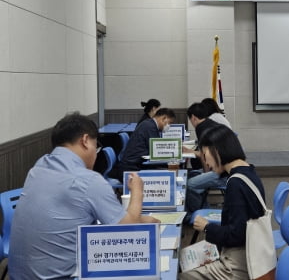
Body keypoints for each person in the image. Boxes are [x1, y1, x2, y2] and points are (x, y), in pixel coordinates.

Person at [8, 112, 160, 280]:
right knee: (149, 271)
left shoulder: (37, 169)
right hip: (63, 277)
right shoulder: (88, 180)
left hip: (19, 276)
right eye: (96, 146)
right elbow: (129, 230)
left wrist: (140, 218)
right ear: (85, 140)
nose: (96, 154)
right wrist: (137, 191)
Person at [179, 125, 266, 280]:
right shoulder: (248, 171)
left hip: (237, 266)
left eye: (206, 155)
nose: (206, 162)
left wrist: (207, 227)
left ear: (217, 151)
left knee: (181, 274)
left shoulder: (235, 184)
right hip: (249, 253)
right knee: (184, 260)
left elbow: (236, 235)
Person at [183, 102, 228, 216]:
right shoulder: (210, 123)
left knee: (188, 184)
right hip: (225, 169)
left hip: (222, 174)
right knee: (191, 174)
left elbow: (204, 156)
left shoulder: (201, 128)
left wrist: (205, 175)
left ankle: (199, 214)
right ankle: (200, 208)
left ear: (193, 117)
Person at [115, 107, 176, 180]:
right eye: (170, 123)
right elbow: (157, 152)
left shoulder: (149, 124)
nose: (169, 126)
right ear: (164, 118)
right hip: (131, 170)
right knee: (169, 175)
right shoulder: (150, 127)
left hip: (134, 165)